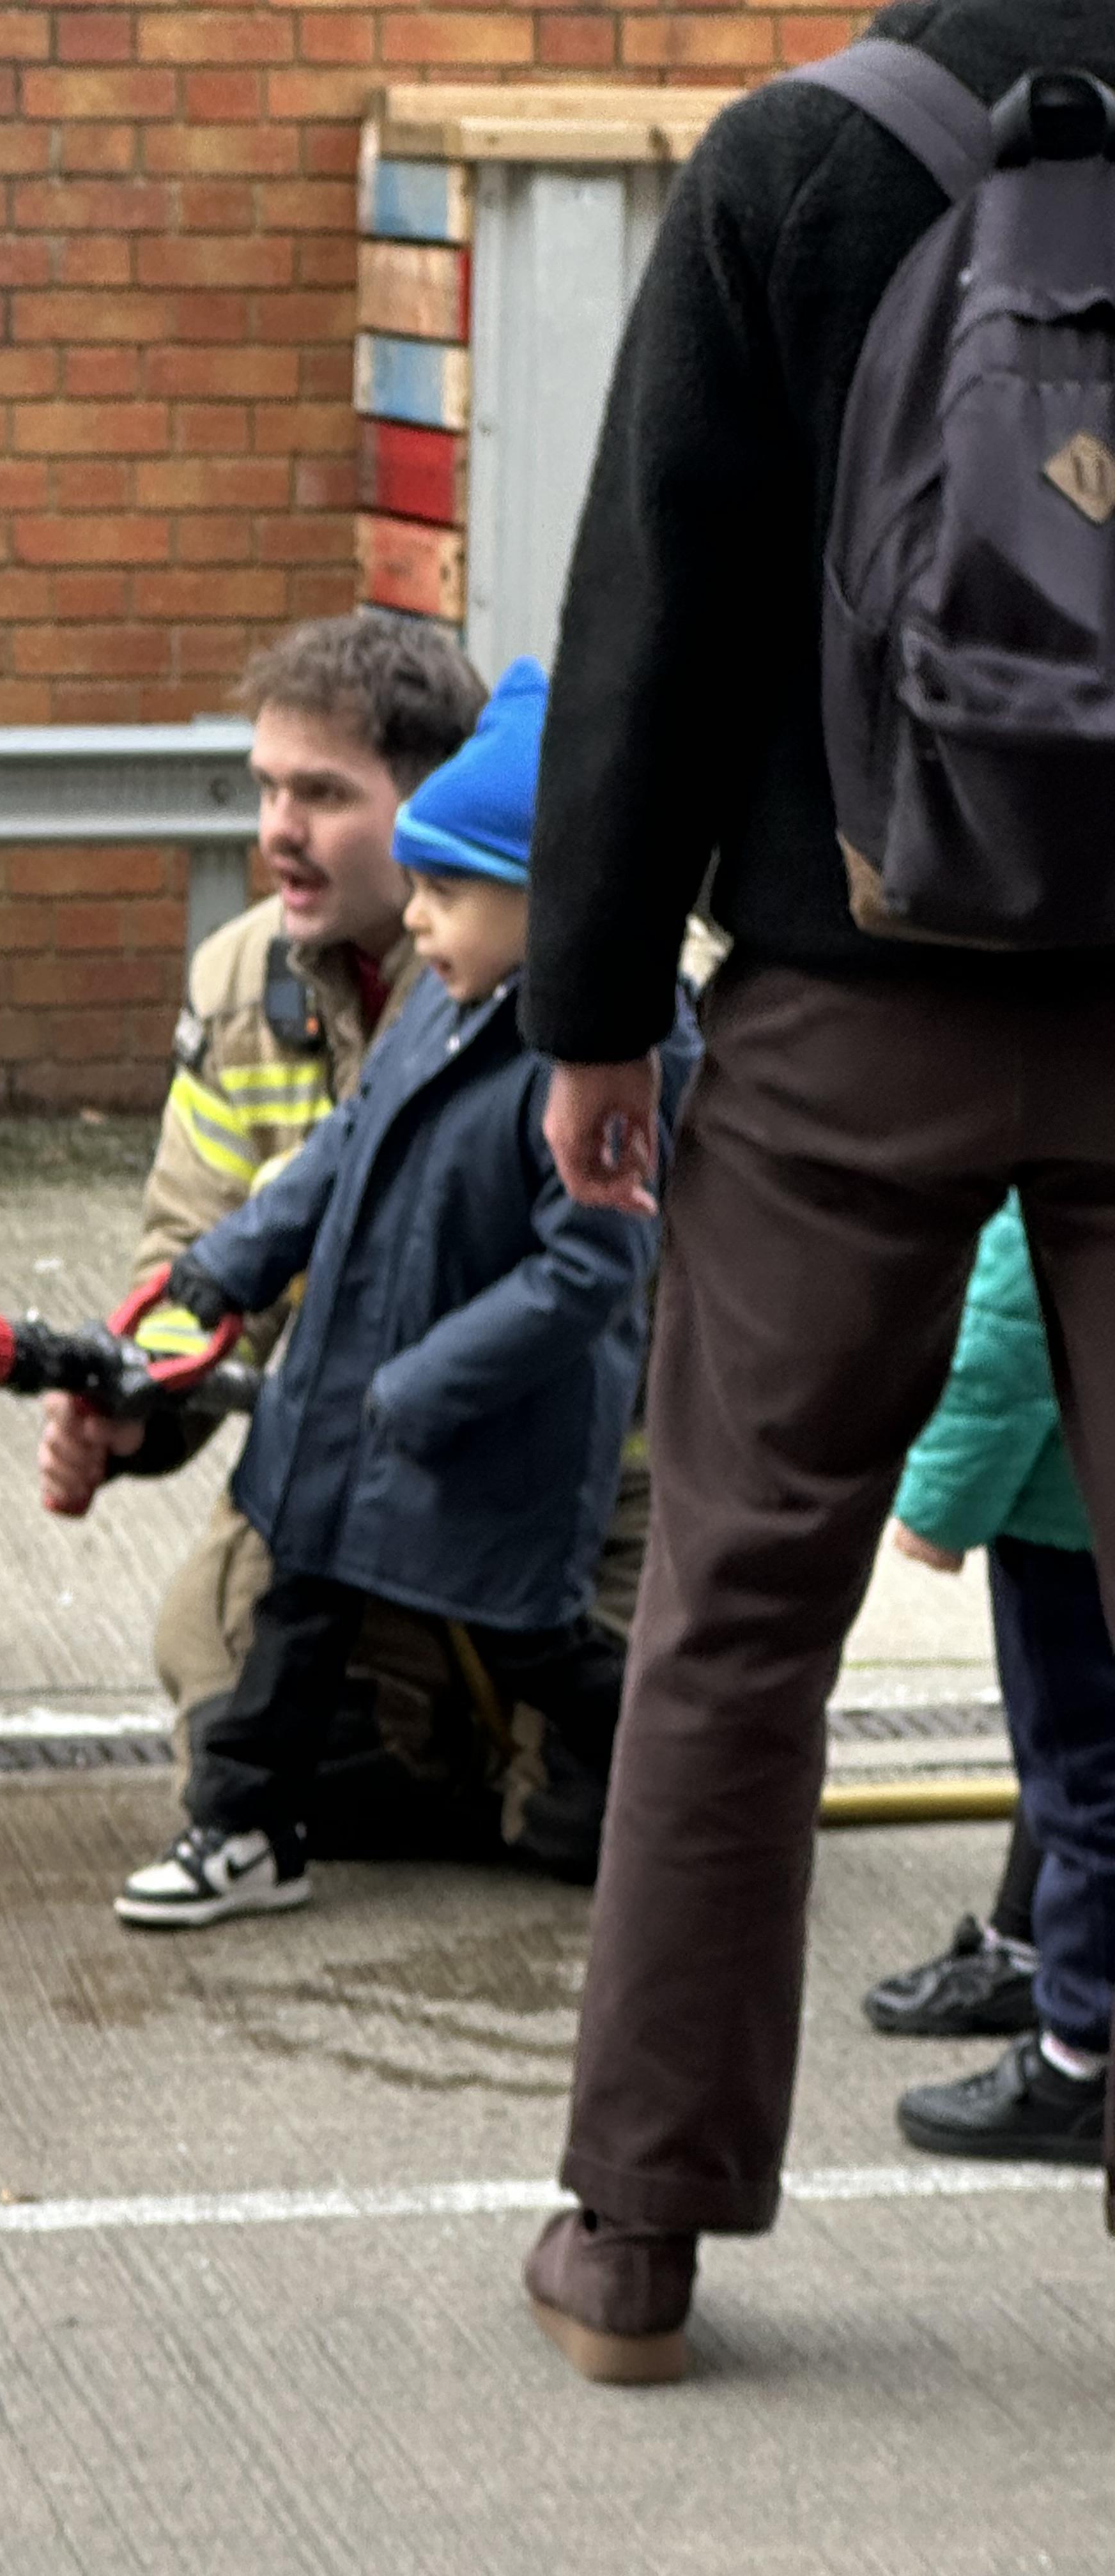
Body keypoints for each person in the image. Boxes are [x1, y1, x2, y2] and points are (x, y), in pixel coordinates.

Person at [517, 3, 1115, 2389]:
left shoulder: (795, 164)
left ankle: (636, 2236)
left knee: (739, 1609)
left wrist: (589, 1005)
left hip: (841, 988)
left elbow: (652, 604)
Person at [111, 662, 700, 1927]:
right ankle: (247, 1830)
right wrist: (214, 1276)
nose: (419, 922)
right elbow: (338, 1155)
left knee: (545, 1663)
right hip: (343, 1413)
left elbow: (591, 1267)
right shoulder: (442, 1000)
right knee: (288, 1623)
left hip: (507, 1448)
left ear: (551, 898)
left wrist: (429, 1384)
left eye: (445, 892)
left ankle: (697, 1770)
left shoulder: (614, 1053)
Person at [860, 1199, 1111, 2163]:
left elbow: (1012, 1330)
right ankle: (1039, 1962)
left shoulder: (1058, 1152)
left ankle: (1079, 2061)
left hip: (1063, 1521)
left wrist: (940, 1509)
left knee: (1081, 1776)